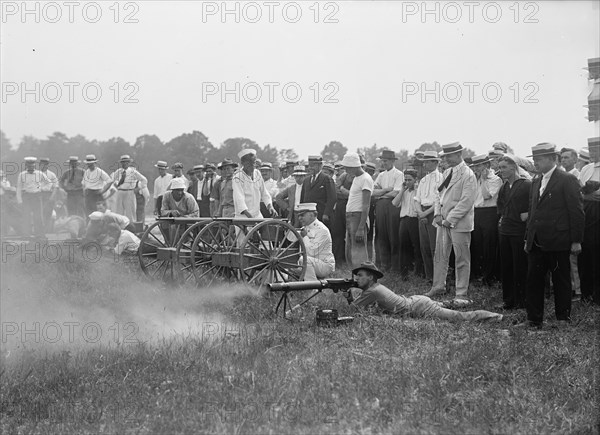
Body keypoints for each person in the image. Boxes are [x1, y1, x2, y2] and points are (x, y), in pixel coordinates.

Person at [517, 143, 584, 329]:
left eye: (539, 159)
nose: (535, 163)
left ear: (552, 159)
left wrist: (576, 240)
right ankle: (533, 319)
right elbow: (532, 211)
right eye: (534, 159)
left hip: (558, 240)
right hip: (536, 241)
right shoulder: (536, 180)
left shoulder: (567, 179)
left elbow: (577, 212)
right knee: (533, 281)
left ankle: (562, 319)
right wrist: (527, 238)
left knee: (561, 281)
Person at [342, 262, 503, 322]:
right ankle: (464, 301)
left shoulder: (372, 291)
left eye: (360, 276)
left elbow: (354, 311)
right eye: (356, 276)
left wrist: (349, 296)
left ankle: (498, 317)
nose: (357, 279)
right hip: (417, 302)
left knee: (460, 318)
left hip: (420, 307)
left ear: (370, 277)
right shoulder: (372, 288)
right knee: (450, 306)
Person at [424, 142, 477, 307]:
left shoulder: (468, 174)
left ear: (459, 154)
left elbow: (466, 202)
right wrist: (438, 214)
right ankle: (438, 286)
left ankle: (461, 293)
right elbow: (438, 194)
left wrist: (450, 219)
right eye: (444, 156)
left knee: (461, 258)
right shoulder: (447, 172)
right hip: (442, 221)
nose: (446, 159)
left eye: (449, 156)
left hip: (459, 223)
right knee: (440, 255)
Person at [496, 155, 531, 310]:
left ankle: (521, 301)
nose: (501, 170)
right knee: (506, 266)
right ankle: (508, 300)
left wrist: (528, 214)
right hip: (505, 231)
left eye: (504, 167)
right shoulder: (504, 187)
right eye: (500, 167)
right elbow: (501, 206)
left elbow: (536, 205)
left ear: (513, 167)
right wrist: (502, 218)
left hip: (519, 231)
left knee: (520, 266)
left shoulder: (526, 184)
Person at [469, 154, 503, 285]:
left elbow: (487, 195)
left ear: (486, 166)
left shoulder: (495, 179)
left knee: (489, 245)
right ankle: (481, 275)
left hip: (489, 212)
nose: (476, 169)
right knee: (478, 244)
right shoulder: (475, 179)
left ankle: (489, 277)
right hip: (477, 213)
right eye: (475, 166)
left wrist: (483, 180)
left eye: (479, 166)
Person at [372, 150, 404, 272]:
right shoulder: (381, 175)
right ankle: (383, 264)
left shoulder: (399, 174)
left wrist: (381, 194)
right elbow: (373, 192)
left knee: (393, 235)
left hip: (393, 207)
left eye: (385, 161)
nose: (383, 163)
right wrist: (386, 190)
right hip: (380, 207)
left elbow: (396, 192)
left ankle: (395, 266)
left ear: (392, 161)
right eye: (382, 161)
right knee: (381, 235)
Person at [414, 151, 444, 282]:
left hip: (434, 213)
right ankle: (429, 277)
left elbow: (439, 200)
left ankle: (438, 278)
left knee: (435, 247)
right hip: (422, 213)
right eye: (424, 162)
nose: (424, 164)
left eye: (427, 162)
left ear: (435, 163)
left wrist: (426, 213)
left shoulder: (441, 178)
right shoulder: (423, 180)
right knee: (424, 246)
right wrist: (420, 213)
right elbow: (417, 199)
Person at [341, 152, 373, 268]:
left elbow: (366, 205)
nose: (345, 170)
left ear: (353, 166)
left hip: (358, 217)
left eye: (347, 168)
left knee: (358, 252)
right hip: (351, 216)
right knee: (350, 251)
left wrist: (361, 227)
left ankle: (362, 278)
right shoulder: (357, 178)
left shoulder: (365, 179)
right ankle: (355, 277)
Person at [578, 137, 600, 304]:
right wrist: (587, 195)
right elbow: (579, 191)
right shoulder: (586, 168)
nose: (592, 153)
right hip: (586, 212)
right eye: (591, 150)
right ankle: (586, 294)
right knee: (585, 252)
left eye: (596, 149)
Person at [392, 169, 423, 279]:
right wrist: (402, 190)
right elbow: (395, 203)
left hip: (415, 219)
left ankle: (419, 272)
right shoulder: (404, 191)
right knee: (403, 246)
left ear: (415, 180)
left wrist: (416, 188)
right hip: (404, 220)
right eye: (405, 180)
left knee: (417, 246)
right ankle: (404, 273)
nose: (407, 182)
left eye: (410, 180)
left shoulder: (418, 190)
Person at [232, 149, 277, 219]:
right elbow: (239, 197)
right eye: (248, 164)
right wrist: (247, 214)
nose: (252, 166)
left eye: (253, 163)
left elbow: (264, 192)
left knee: (265, 228)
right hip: (243, 216)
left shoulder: (257, 173)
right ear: (242, 163)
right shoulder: (237, 177)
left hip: (257, 214)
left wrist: (270, 206)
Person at [295, 202, 335, 281]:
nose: (299, 218)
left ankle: (313, 286)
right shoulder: (305, 228)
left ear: (312, 215)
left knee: (303, 260)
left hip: (324, 265)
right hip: (313, 262)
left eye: (302, 215)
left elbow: (312, 252)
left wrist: (305, 237)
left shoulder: (322, 230)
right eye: (299, 215)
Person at [300, 156, 336, 226]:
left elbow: (332, 198)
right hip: (308, 216)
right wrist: (302, 213)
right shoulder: (306, 180)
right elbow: (302, 198)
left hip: (321, 215)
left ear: (320, 166)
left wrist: (326, 214)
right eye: (309, 165)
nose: (310, 168)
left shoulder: (326, 179)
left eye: (313, 165)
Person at [110, 155, 147, 222]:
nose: (124, 164)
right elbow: (110, 180)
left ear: (129, 163)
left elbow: (144, 180)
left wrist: (138, 188)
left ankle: (132, 228)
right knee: (119, 212)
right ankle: (120, 229)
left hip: (129, 192)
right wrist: (114, 184)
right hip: (120, 192)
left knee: (130, 212)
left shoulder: (133, 172)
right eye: (122, 162)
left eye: (126, 162)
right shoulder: (118, 171)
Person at [16, 157, 48, 236]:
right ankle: (26, 234)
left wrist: (42, 189)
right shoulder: (22, 174)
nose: (31, 168)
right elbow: (19, 188)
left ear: (34, 166)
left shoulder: (39, 173)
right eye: (29, 166)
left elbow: (49, 183)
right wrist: (19, 200)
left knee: (38, 216)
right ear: (26, 165)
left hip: (37, 196)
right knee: (26, 216)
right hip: (27, 197)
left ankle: (39, 234)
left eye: (32, 166)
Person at [39, 157, 58, 232]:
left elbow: (56, 187)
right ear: (40, 165)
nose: (44, 166)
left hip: (48, 195)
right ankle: (39, 230)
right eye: (42, 165)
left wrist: (52, 197)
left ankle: (47, 230)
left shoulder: (51, 175)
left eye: (46, 165)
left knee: (48, 213)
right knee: (39, 213)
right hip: (38, 195)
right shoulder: (35, 173)